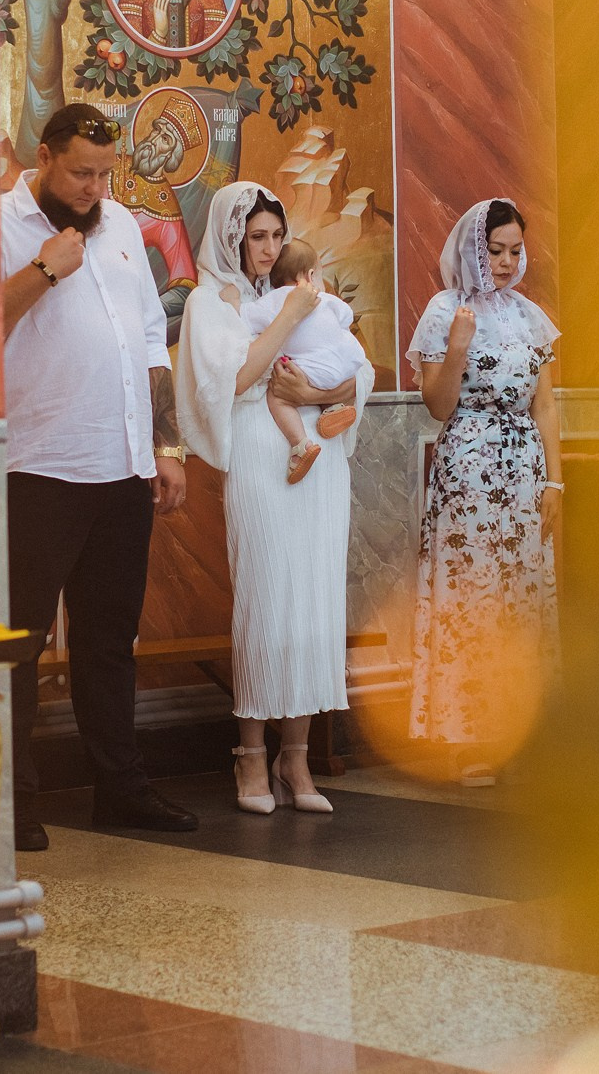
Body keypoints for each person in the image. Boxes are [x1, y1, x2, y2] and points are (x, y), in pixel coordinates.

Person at [2, 101, 200, 850]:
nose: (93, 189)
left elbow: (152, 336)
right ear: (45, 156)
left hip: (122, 465)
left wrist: (167, 444)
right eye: (81, 173)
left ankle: (121, 789)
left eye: (104, 174)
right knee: (17, 641)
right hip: (37, 466)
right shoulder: (0, 222)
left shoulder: (118, 225)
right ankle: (15, 801)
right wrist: (43, 269)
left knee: (110, 639)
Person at [175, 182, 368, 815]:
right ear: (231, 235)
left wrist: (321, 396)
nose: (267, 247)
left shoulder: (305, 294)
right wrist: (289, 317)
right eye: (255, 236)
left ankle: (298, 759)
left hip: (320, 452)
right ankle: (251, 757)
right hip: (262, 450)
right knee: (266, 594)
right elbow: (231, 382)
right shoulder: (212, 302)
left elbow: (356, 368)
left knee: (313, 596)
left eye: (276, 236)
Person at [407, 199, 563, 788]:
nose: (504, 262)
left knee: (519, 596)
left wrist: (555, 478)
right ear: (472, 249)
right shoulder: (444, 310)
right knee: (470, 597)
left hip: (523, 468)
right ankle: (467, 734)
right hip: (467, 471)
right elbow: (437, 405)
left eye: (514, 251)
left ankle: (518, 730)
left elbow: (545, 403)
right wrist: (456, 348)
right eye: (494, 250)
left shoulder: (530, 316)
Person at [242, 238, 364, 483]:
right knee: (322, 372)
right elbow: (346, 317)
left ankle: (300, 444)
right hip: (347, 363)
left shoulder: (273, 301)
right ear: (310, 275)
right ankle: (333, 407)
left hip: (312, 369)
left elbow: (244, 316)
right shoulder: (328, 300)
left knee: (278, 395)